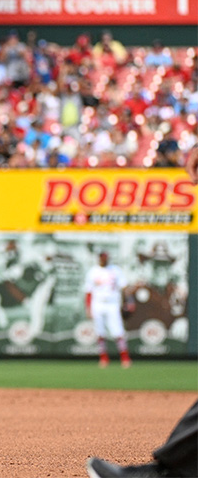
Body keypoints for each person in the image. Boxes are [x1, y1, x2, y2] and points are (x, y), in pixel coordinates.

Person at [85, 148, 198, 477]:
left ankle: (165, 474)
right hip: (101, 304)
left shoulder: (118, 273)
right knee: (106, 332)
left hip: (112, 303)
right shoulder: (96, 272)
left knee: (116, 331)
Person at [84, 250, 133, 368]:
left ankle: (125, 357)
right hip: (98, 304)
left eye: (105, 257)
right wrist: (88, 308)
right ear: (98, 258)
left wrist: (129, 301)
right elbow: (88, 292)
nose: (103, 259)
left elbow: (124, 287)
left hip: (113, 304)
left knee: (118, 331)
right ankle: (103, 358)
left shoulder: (115, 270)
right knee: (100, 332)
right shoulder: (93, 271)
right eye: (101, 257)